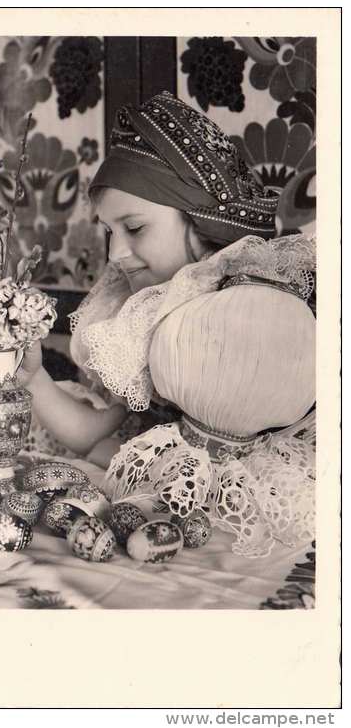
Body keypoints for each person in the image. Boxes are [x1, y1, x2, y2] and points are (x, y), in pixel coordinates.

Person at [19, 91, 316, 556]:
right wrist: (32, 377)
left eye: (134, 228)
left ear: (199, 221)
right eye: (109, 232)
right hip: (157, 512)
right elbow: (89, 433)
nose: (116, 254)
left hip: (253, 520)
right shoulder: (137, 312)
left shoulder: (259, 305)